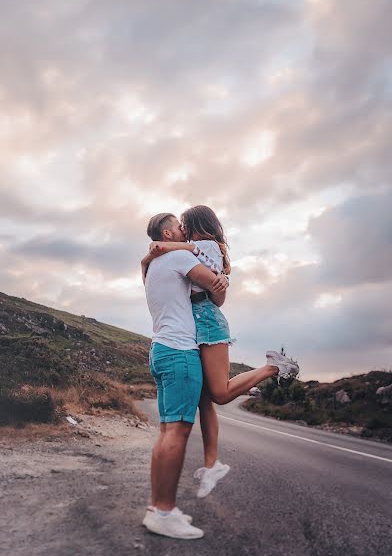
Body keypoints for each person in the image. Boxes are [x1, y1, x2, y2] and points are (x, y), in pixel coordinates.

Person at [143, 205, 300, 499]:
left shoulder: (201, 246)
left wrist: (156, 250)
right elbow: (216, 290)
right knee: (204, 401)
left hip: (206, 322)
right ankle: (211, 464)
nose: (184, 229)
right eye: (180, 226)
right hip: (197, 323)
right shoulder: (190, 252)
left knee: (220, 393)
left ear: (196, 225)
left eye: (185, 224)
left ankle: (273, 367)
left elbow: (214, 290)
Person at [141, 212, 229, 540]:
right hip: (180, 352)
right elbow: (214, 284)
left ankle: (158, 508)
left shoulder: (152, 266)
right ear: (168, 231)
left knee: (167, 433)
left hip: (161, 350)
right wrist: (220, 281)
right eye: (179, 227)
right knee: (176, 434)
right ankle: (164, 511)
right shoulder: (179, 255)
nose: (184, 231)